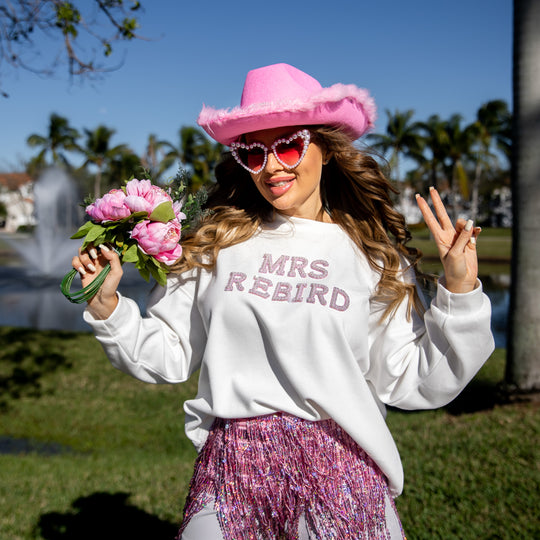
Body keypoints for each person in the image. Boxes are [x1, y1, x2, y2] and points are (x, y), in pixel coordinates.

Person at [72, 63, 494, 539]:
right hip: (233, 469)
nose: (272, 167)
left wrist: (459, 292)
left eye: (289, 145)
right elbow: (170, 353)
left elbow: (410, 379)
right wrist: (109, 308)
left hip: (343, 469)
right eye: (253, 153)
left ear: (326, 150)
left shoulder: (373, 258)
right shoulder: (217, 246)